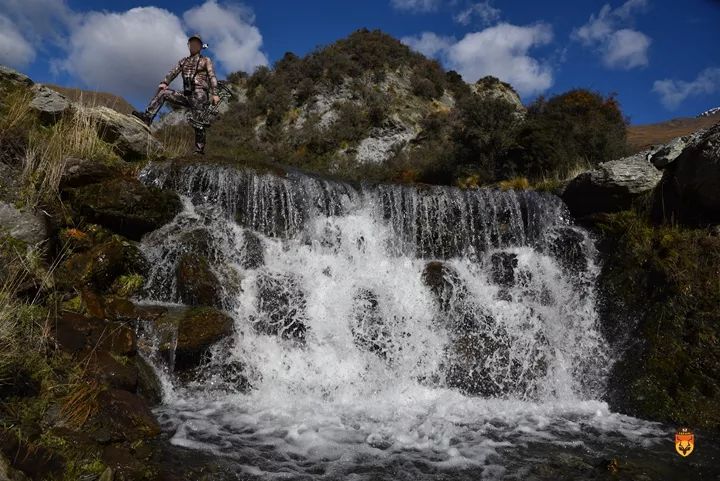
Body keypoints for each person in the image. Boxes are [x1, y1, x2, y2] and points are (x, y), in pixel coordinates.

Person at [132, 34, 220, 155]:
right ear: (188, 45)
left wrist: (215, 93)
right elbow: (173, 72)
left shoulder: (206, 60)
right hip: (186, 94)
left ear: (200, 46)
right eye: (192, 43)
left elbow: (212, 76)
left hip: (200, 95)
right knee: (164, 93)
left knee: (198, 121)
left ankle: (199, 150)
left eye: (197, 43)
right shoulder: (183, 61)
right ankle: (147, 117)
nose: (194, 45)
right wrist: (165, 82)